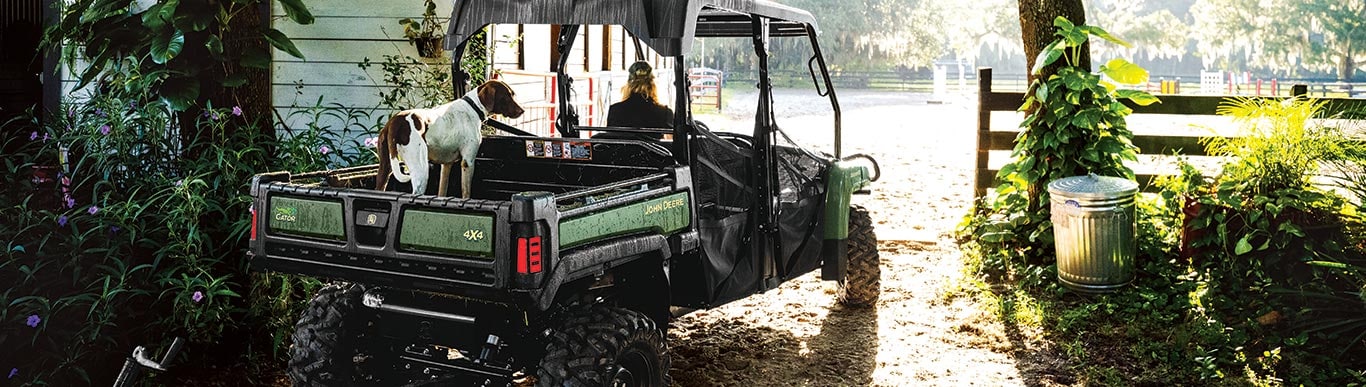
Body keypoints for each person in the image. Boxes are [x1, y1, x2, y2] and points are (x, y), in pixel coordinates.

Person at [602, 61, 674, 140]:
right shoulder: (664, 113)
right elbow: (673, 142)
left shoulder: (615, 110)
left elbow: (610, 139)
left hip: (622, 152)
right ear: (653, 84)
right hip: (651, 152)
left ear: (628, 84)